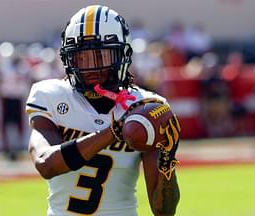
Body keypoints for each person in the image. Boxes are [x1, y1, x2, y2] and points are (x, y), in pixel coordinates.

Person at [26, 5, 181, 216]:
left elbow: (164, 211)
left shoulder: (146, 106)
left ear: (121, 55)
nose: (91, 67)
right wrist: (113, 133)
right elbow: (46, 165)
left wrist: (167, 161)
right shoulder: (51, 95)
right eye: (82, 57)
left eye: (101, 56)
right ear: (69, 59)